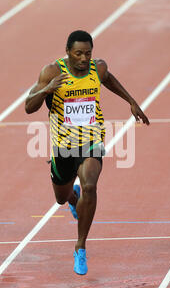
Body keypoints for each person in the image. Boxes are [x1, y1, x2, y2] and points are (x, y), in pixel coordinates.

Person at [25, 30, 149, 275]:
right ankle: (73, 197)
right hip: (63, 145)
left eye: (88, 53)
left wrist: (131, 101)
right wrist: (47, 89)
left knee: (90, 185)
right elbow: (29, 107)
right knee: (61, 197)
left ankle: (80, 246)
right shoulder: (52, 72)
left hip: (92, 139)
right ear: (68, 52)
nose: (84, 58)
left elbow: (110, 79)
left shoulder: (97, 69)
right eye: (78, 53)